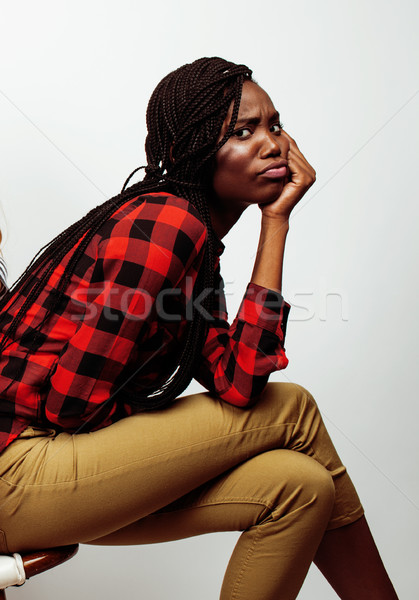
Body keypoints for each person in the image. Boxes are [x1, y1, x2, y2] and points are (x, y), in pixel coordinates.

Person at [0, 57, 398, 599]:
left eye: (274, 125)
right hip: (15, 469)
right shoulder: (167, 223)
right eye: (242, 131)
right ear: (188, 149)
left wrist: (275, 223)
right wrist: (154, 432)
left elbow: (238, 382)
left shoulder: (195, 247)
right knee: (295, 409)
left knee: (300, 487)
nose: (273, 144)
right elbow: (68, 406)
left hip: (41, 474)